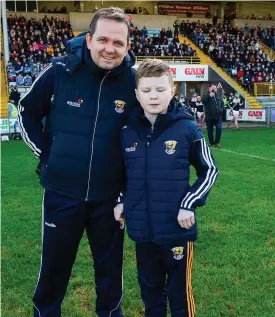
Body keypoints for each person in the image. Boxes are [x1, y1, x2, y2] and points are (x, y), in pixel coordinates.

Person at [18, 7, 137, 317]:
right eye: (103, 40)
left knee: (110, 274)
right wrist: (47, 155)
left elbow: (159, 118)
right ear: (88, 40)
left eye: (118, 43)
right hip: (61, 193)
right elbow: (26, 112)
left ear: (127, 46)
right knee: (53, 270)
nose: (110, 48)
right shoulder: (58, 71)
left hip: (110, 199)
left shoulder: (134, 83)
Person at [114, 59, 219, 317]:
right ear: (137, 94)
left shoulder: (187, 129)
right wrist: (120, 199)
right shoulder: (127, 131)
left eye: (160, 89)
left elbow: (209, 170)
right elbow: (119, 173)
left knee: (179, 295)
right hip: (142, 229)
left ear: (172, 91)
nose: (153, 96)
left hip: (176, 229)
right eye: (147, 90)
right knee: (150, 295)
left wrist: (188, 204)